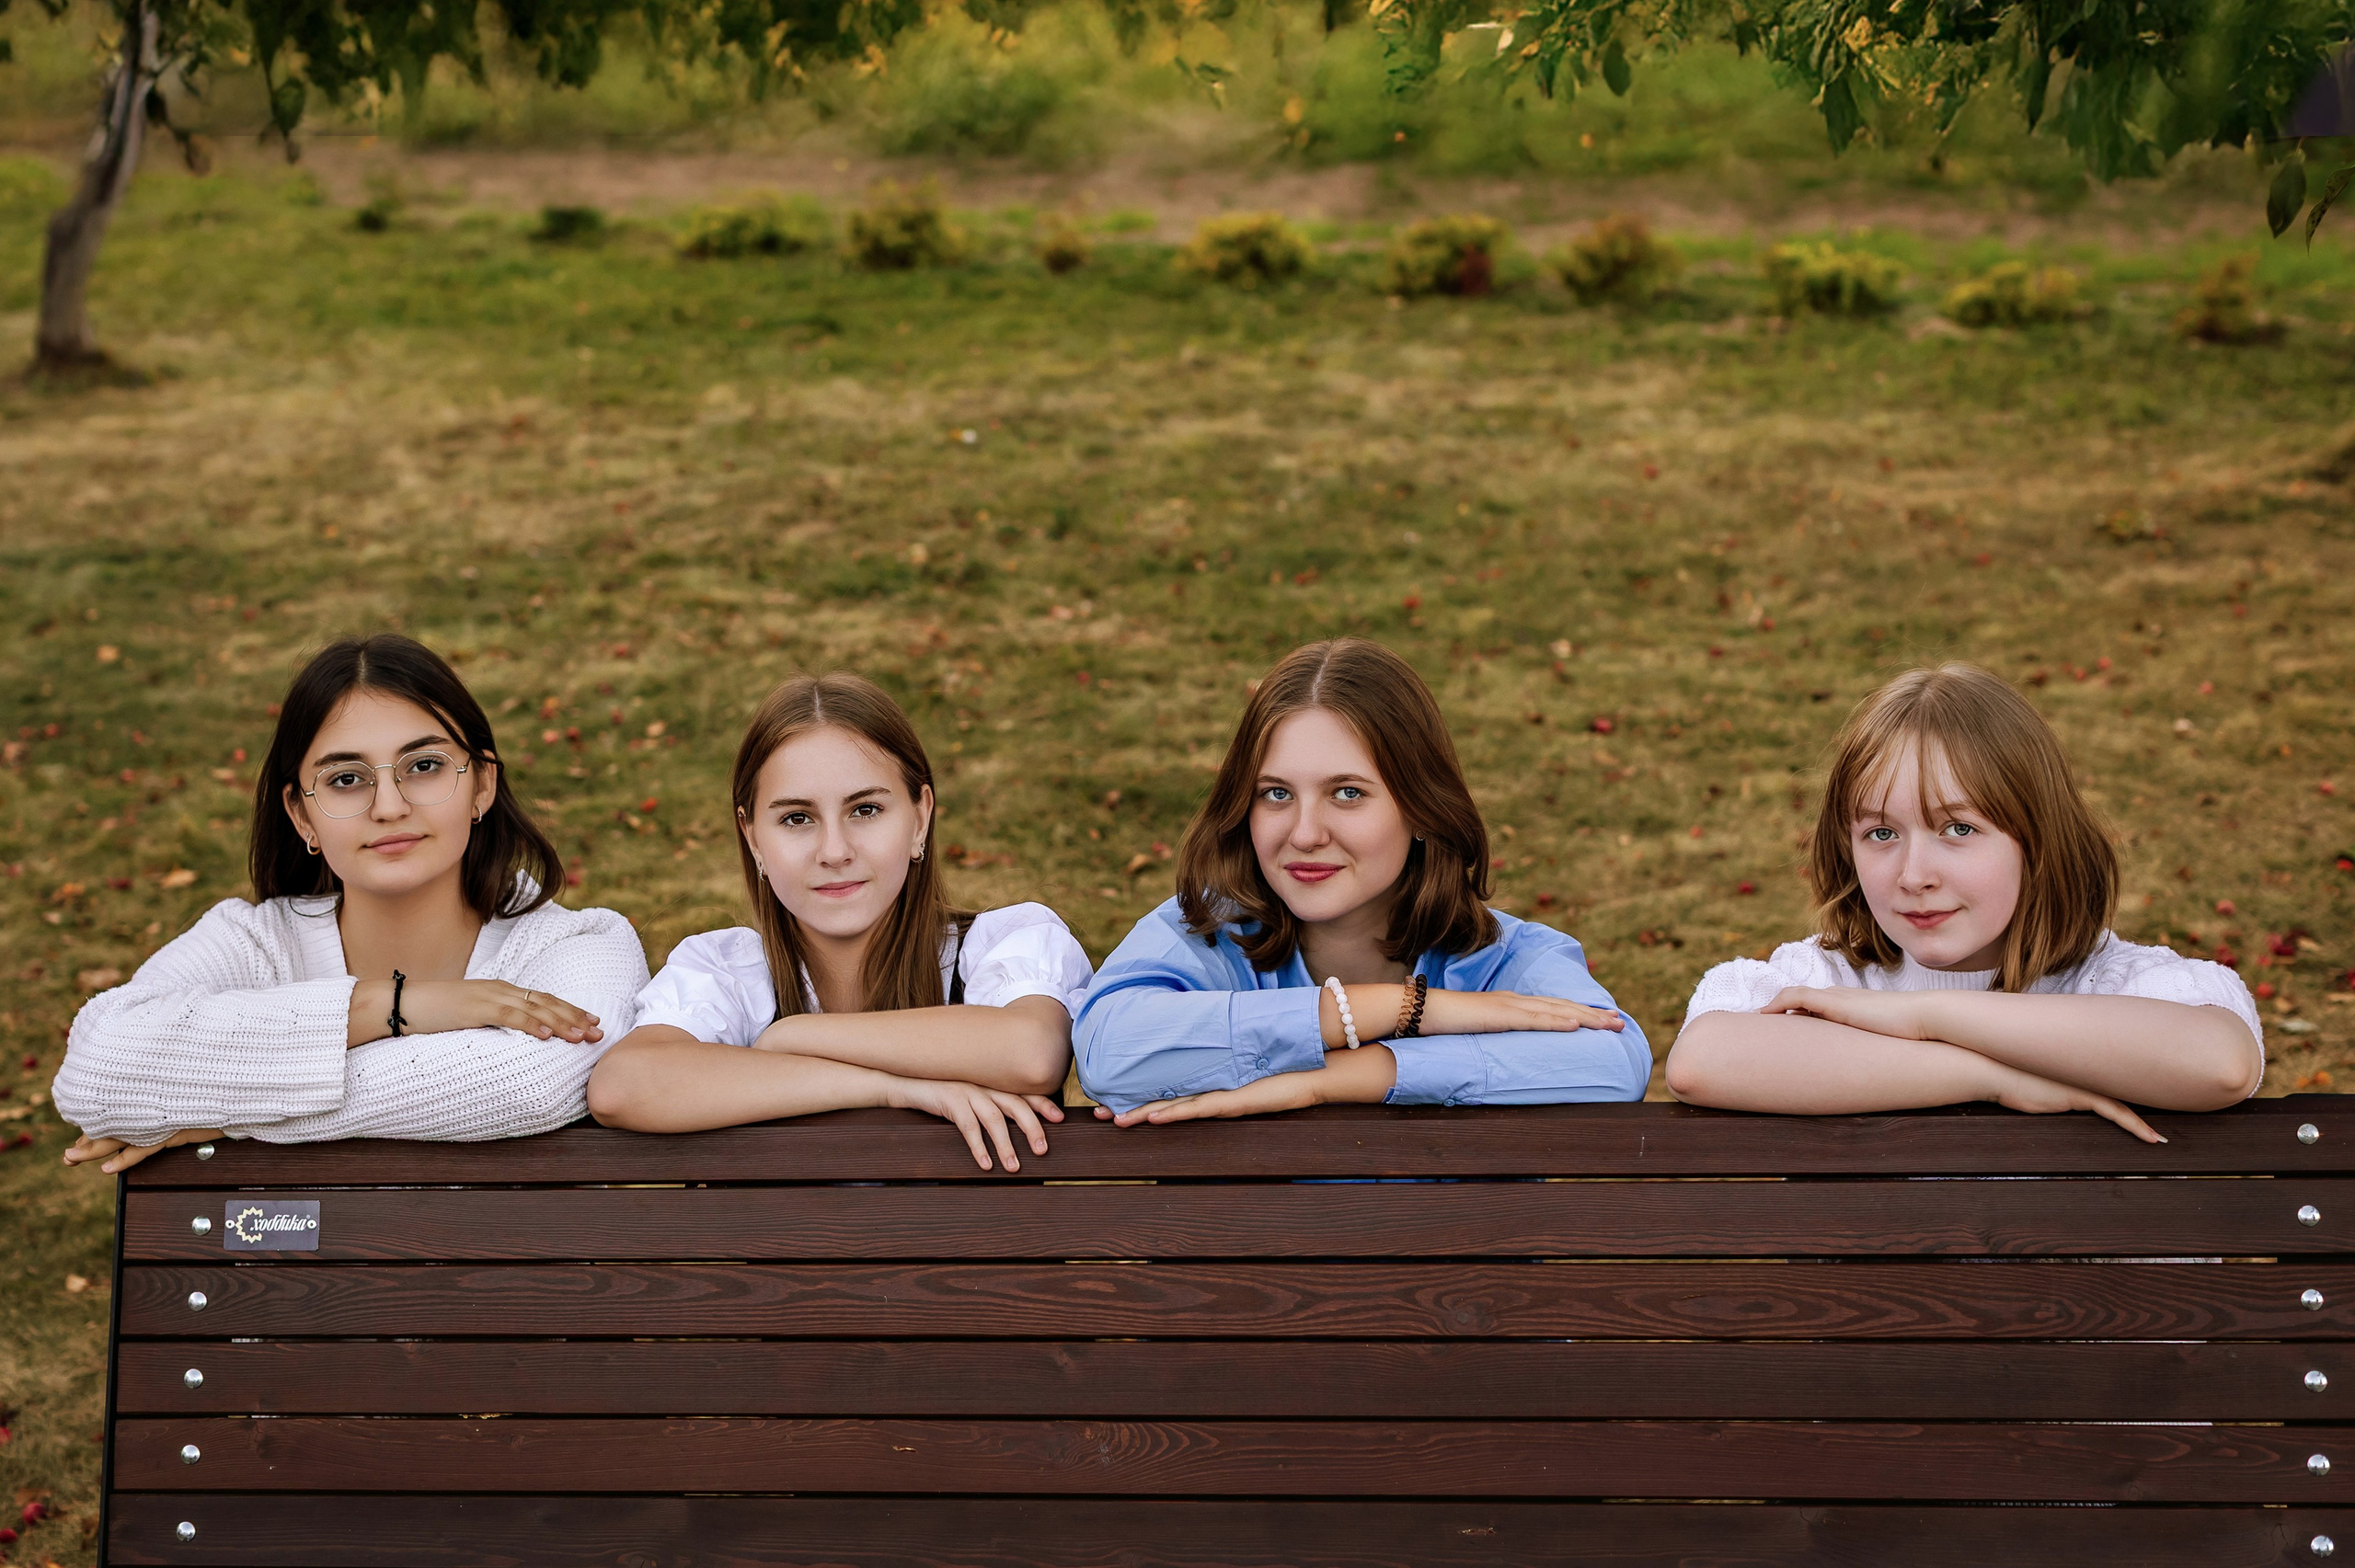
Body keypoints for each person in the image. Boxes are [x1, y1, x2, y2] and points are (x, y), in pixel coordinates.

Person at [57, 634, 649, 1173]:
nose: (389, 806)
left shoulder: (580, 946)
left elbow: (533, 1083)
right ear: (300, 814)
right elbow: (98, 1069)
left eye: (424, 767)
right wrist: (396, 1007)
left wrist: (228, 1117)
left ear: (482, 785)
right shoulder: (256, 943)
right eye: (346, 779)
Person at [1664, 663, 2263, 1142]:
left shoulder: (2114, 982)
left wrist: (1925, 1018)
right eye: (1881, 833)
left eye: (1958, 829)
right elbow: (1701, 1060)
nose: (1914, 874)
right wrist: (1992, 1078)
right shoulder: (1824, 980)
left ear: (2036, 838)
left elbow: (2219, 1063)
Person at [1075, 637, 1649, 1123]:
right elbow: (1107, 1052)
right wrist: (1406, 1010)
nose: (1303, 834)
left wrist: (1333, 1078)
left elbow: (1616, 1062)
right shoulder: (1203, 934)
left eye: (1346, 793)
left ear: (1421, 808)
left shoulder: (1503, 959)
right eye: (1276, 794)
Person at [586, 672, 1090, 1172]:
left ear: (920, 818)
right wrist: (888, 1089)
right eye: (797, 819)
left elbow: (1032, 1052)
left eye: (866, 809)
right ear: (753, 837)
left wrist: (795, 1038)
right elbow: (623, 1086)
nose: (835, 851)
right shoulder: (729, 972)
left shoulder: (1003, 945)